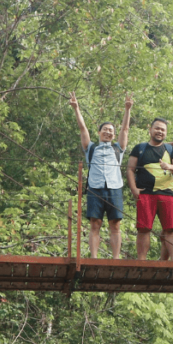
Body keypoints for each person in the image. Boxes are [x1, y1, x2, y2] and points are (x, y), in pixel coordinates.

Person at [70, 92, 132, 259]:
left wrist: (127, 109)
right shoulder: (91, 148)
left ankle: (116, 258)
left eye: (111, 130)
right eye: (105, 129)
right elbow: (82, 128)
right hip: (95, 188)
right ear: (99, 132)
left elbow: (125, 130)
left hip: (114, 188)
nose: (108, 132)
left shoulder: (118, 149)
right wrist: (77, 109)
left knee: (115, 224)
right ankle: (94, 257)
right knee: (95, 223)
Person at [126, 118, 173, 261]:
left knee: (171, 229)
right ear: (150, 130)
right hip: (145, 194)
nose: (160, 131)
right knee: (143, 228)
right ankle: (142, 260)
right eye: (157, 128)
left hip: (168, 194)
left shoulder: (171, 149)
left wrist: (168, 166)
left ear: (166, 133)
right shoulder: (139, 148)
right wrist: (133, 188)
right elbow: (130, 169)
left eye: (163, 130)